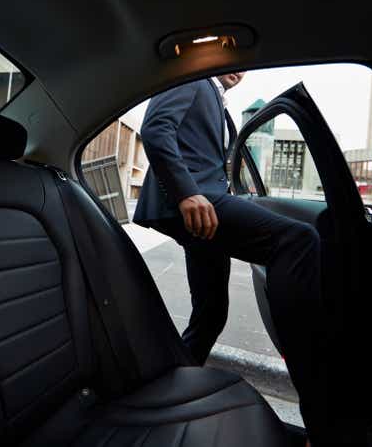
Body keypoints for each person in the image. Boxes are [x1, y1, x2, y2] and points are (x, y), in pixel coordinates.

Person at [133, 73, 328, 443]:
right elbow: (156, 130)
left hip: (204, 202)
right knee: (297, 240)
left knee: (210, 314)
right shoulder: (192, 79)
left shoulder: (221, 107)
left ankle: (168, 393)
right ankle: (318, 397)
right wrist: (186, 193)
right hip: (191, 202)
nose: (238, 71)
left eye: (244, 69)